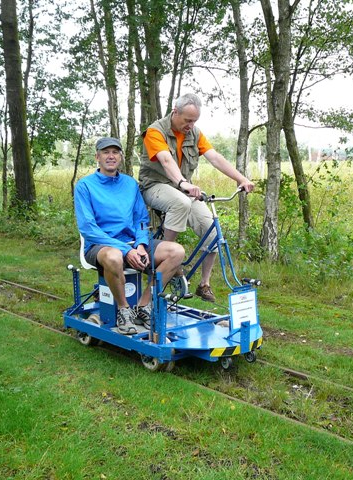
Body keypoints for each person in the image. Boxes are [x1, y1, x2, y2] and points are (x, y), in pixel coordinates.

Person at [139, 93, 254, 302]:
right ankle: (166, 258)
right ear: (175, 112)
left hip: (182, 189)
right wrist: (183, 183)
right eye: (187, 120)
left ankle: (204, 284)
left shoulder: (194, 133)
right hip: (155, 186)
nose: (191, 125)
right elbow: (166, 160)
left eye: (194, 121)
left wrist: (241, 178)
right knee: (180, 202)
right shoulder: (155, 131)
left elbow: (215, 158)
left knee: (211, 230)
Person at [74, 137, 185, 335]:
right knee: (114, 256)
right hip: (100, 246)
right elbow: (88, 228)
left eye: (115, 152)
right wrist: (126, 250)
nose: (111, 156)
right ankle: (123, 310)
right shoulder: (85, 186)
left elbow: (141, 219)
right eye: (106, 152)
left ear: (120, 157)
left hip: (133, 243)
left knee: (176, 251)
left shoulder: (130, 184)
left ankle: (144, 305)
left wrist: (141, 245)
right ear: (97, 157)